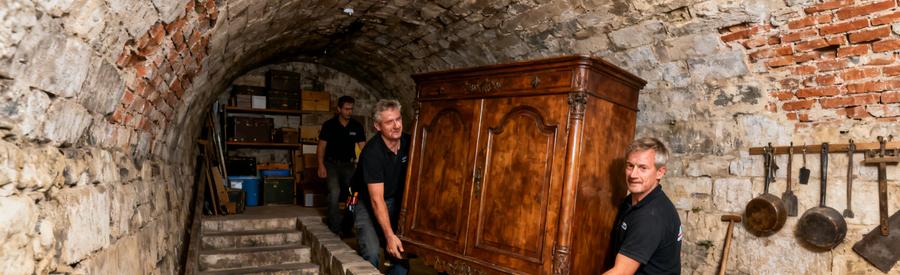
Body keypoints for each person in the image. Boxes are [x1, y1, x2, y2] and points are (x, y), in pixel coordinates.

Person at [604, 137, 682, 275]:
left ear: (660, 172)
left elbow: (620, 273)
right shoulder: (632, 201)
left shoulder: (651, 217)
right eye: (630, 166)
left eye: (642, 168)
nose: (633, 174)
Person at [352, 99, 410, 275]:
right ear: (377, 126)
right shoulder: (372, 153)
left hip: (394, 200)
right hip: (366, 202)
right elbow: (377, 200)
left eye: (398, 119)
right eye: (389, 122)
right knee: (371, 254)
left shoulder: (410, 143)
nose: (396, 126)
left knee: (401, 259)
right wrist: (389, 236)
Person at [317, 95, 366, 234]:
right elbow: (321, 147)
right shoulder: (329, 125)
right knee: (335, 192)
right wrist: (321, 165)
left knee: (353, 193)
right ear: (339, 109)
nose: (349, 112)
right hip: (330, 164)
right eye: (346, 109)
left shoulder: (357, 126)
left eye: (351, 109)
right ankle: (335, 228)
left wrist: (366, 165)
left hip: (348, 165)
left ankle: (347, 225)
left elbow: (364, 148)